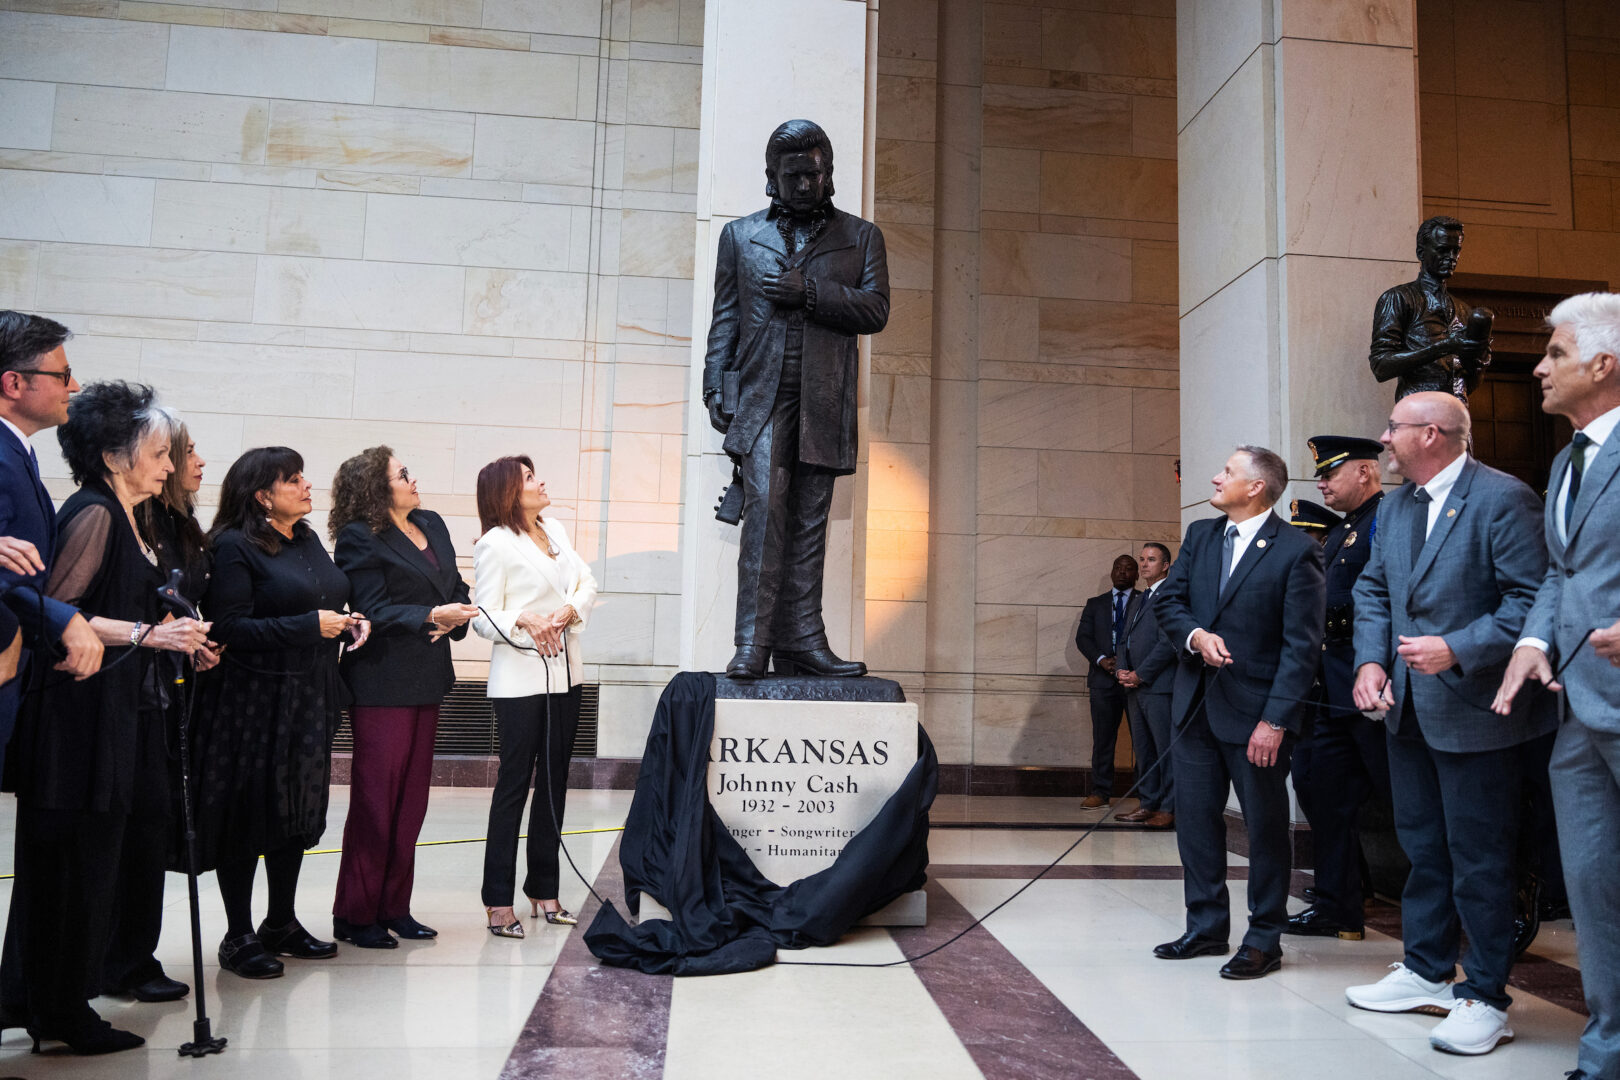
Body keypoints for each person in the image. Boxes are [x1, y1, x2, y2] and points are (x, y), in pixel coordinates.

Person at [4, 381, 210, 1054]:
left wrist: (175, 633)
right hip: (76, 724)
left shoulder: (135, 520)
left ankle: (57, 1000)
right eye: (157, 451)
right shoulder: (93, 513)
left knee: (95, 867)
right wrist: (152, 636)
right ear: (117, 456)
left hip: (116, 716)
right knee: (69, 870)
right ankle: (60, 1010)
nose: (167, 463)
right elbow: (55, 616)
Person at [1345, 392, 1549, 1057]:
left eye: (1394, 429)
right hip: (1405, 709)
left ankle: (1486, 996)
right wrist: (1370, 661)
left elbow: (1532, 598)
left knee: (1480, 859)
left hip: (1478, 713)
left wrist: (1458, 646)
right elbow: (1373, 588)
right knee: (1423, 848)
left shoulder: (1502, 498)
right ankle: (1427, 967)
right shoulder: (1400, 505)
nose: (1384, 438)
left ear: (1430, 434)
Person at [702, 118, 889, 679]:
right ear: (771, 178)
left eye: (816, 172)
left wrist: (808, 292)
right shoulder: (739, 236)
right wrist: (715, 383)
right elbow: (725, 319)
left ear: (829, 174)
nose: (807, 184)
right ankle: (752, 644)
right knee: (763, 514)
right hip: (761, 398)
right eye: (794, 175)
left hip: (823, 402)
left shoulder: (861, 237)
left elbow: (875, 310)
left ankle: (804, 641)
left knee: (810, 523)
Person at [1494, 291, 1620, 1080]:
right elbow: (1562, 570)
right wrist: (1533, 640)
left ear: (1604, 364)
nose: (1539, 367)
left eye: (1556, 355)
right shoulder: (1569, 457)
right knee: (1595, 890)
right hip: (1578, 714)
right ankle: (1607, 1045)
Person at [192, 447, 371, 979]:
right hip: (252, 701)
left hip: (311, 694)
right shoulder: (231, 546)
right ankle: (238, 934)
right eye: (292, 480)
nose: (306, 486)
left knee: (295, 811)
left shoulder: (308, 537)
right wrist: (307, 627)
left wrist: (347, 620)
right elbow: (226, 628)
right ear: (262, 495)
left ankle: (281, 922)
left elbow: (323, 599)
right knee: (249, 813)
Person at [1151, 445, 1325, 980]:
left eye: (1227, 471)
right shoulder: (1201, 536)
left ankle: (1263, 937)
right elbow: (1167, 602)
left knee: (1266, 828)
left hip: (1256, 719)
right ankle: (1205, 927)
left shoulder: (1296, 550)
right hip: (1194, 711)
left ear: (1256, 487)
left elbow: (1302, 647)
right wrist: (1196, 635)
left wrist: (1276, 721)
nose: (1214, 475)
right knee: (1197, 825)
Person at [329, 446, 477, 949]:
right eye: (403, 474)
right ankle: (355, 913)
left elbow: (453, 582)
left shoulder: (432, 523)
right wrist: (431, 616)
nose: (414, 480)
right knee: (375, 802)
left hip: (428, 676)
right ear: (376, 487)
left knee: (411, 803)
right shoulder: (358, 537)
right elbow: (369, 609)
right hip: (381, 682)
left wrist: (456, 610)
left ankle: (395, 907)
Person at [99, 408, 221, 1005]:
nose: (191, 462)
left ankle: (131, 953)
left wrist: (191, 640)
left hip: (165, 686)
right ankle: (121, 957)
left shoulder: (177, 525)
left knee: (153, 826)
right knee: (135, 830)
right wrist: (163, 634)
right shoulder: (123, 519)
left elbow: (174, 605)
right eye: (181, 451)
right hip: (128, 690)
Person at [471, 455, 598, 936]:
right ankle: (497, 900)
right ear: (508, 490)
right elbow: (483, 617)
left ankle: (544, 889)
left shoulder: (557, 530)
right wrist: (522, 618)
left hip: (567, 672)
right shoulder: (495, 544)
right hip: (520, 679)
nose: (541, 481)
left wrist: (568, 609)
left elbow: (585, 580)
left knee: (554, 782)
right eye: (529, 477)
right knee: (513, 786)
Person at [1286, 435, 1388, 942]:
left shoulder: (1386, 519)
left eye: (1331, 472)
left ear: (1366, 472)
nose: (1321, 482)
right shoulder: (1342, 530)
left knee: (1405, 802)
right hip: (1330, 688)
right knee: (1319, 791)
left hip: (1372, 688)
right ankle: (1337, 908)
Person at [0, 311, 103, 778]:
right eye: (62, 375)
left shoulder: (18, 450)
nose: (75, 385)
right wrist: (64, 618)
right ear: (13, 383)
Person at [1368, 215, 1491, 403]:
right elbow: (1381, 366)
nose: (1451, 257)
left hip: (1457, 415)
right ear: (1421, 253)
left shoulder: (1464, 310)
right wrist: (1445, 346)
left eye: (1456, 250)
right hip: (1417, 412)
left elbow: (1471, 383)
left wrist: (1478, 359)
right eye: (1443, 250)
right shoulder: (1399, 298)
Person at [1115, 542, 1175, 829]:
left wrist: (1141, 673)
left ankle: (1168, 807)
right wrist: (1122, 670)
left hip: (1158, 686)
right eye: (1142, 559)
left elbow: (1168, 644)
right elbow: (1125, 637)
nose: (1143, 564)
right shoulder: (1139, 598)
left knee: (1164, 749)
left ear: (1165, 566)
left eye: (1151, 559)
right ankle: (1148, 803)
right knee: (1143, 749)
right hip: (1135, 687)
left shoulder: (1170, 595)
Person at [1074, 555, 1139, 810]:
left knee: (1142, 741)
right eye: (1118, 568)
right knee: (1103, 739)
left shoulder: (1145, 601)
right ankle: (1100, 792)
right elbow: (1083, 638)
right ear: (1112, 572)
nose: (1122, 572)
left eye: (1129, 569)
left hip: (1136, 681)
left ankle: (1146, 794)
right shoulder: (1095, 604)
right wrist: (1101, 660)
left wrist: (1135, 667)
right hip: (1103, 682)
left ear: (1136, 574)